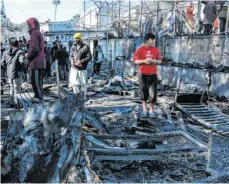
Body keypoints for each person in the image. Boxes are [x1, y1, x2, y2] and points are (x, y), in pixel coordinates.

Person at [133, 33, 162, 118]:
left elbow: (160, 61)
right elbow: (136, 61)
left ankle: (151, 110)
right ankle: (145, 110)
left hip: (153, 75)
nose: (153, 41)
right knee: (143, 93)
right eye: (152, 39)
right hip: (143, 75)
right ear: (146, 40)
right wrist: (144, 61)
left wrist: (153, 61)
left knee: (153, 94)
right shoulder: (140, 50)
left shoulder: (156, 50)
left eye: (153, 39)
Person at [1, 37, 27, 108]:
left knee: (11, 88)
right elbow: (22, 62)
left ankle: (12, 103)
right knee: (17, 89)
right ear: (17, 43)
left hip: (9, 73)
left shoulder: (5, 52)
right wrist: (26, 64)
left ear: (10, 44)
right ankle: (17, 103)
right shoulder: (20, 52)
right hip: (17, 73)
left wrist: (8, 67)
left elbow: (2, 63)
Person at [26, 17, 45, 102]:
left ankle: (39, 97)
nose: (27, 27)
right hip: (39, 62)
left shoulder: (34, 33)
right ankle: (39, 96)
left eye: (28, 25)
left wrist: (27, 56)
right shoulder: (37, 33)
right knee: (38, 81)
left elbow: (34, 48)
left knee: (35, 80)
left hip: (35, 62)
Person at [69, 33, 92, 100]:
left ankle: (83, 99)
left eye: (77, 38)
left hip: (82, 69)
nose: (76, 39)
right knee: (74, 84)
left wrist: (81, 61)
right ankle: (77, 99)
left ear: (80, 38)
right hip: (74, 69)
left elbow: (90, 57)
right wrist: (71, 61)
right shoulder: (73, 46)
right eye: (75, 38)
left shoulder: (85, 47)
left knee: (83, 84)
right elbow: (70, 56)